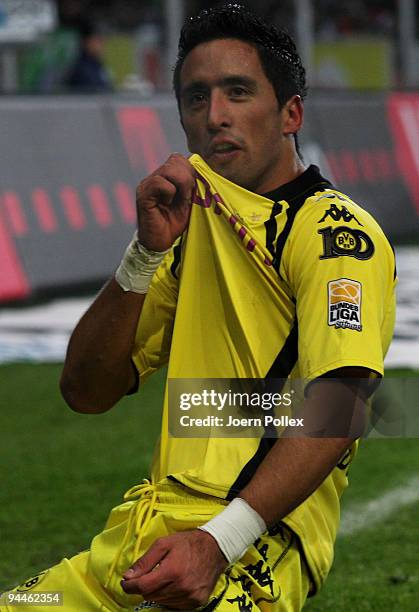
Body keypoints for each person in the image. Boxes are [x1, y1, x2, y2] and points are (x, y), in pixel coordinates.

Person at [5, 4, 396, 611]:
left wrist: (218, 542)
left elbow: (340, 405)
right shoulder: (190, 224)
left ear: (290, 112)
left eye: (238, 93)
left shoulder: (334, 235)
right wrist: (142, 256)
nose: (215, 117)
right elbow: (86, 390)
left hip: (248, 550)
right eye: (196, 98)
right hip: (143, 535)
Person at [65, 21, 113, 93]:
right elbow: (96, 92)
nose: (102, 44)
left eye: (102, 40)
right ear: (86, 42)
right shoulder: (81, 68)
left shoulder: (97, 63)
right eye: (98, 40)